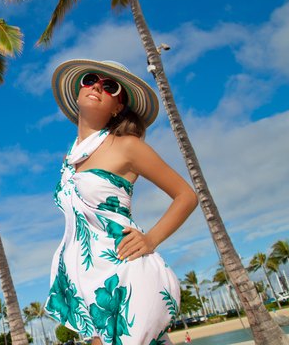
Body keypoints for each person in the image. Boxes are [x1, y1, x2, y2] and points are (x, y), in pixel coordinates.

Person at [44, 60, 198, 345]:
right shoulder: (70, 158)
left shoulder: (127, 146)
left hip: (124, 273)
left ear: (118, 107)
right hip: (85, 281)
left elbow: (186, 196)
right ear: (78, 93)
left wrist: (150, 239)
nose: (97, 87)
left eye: (110, 86)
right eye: (90, 79)